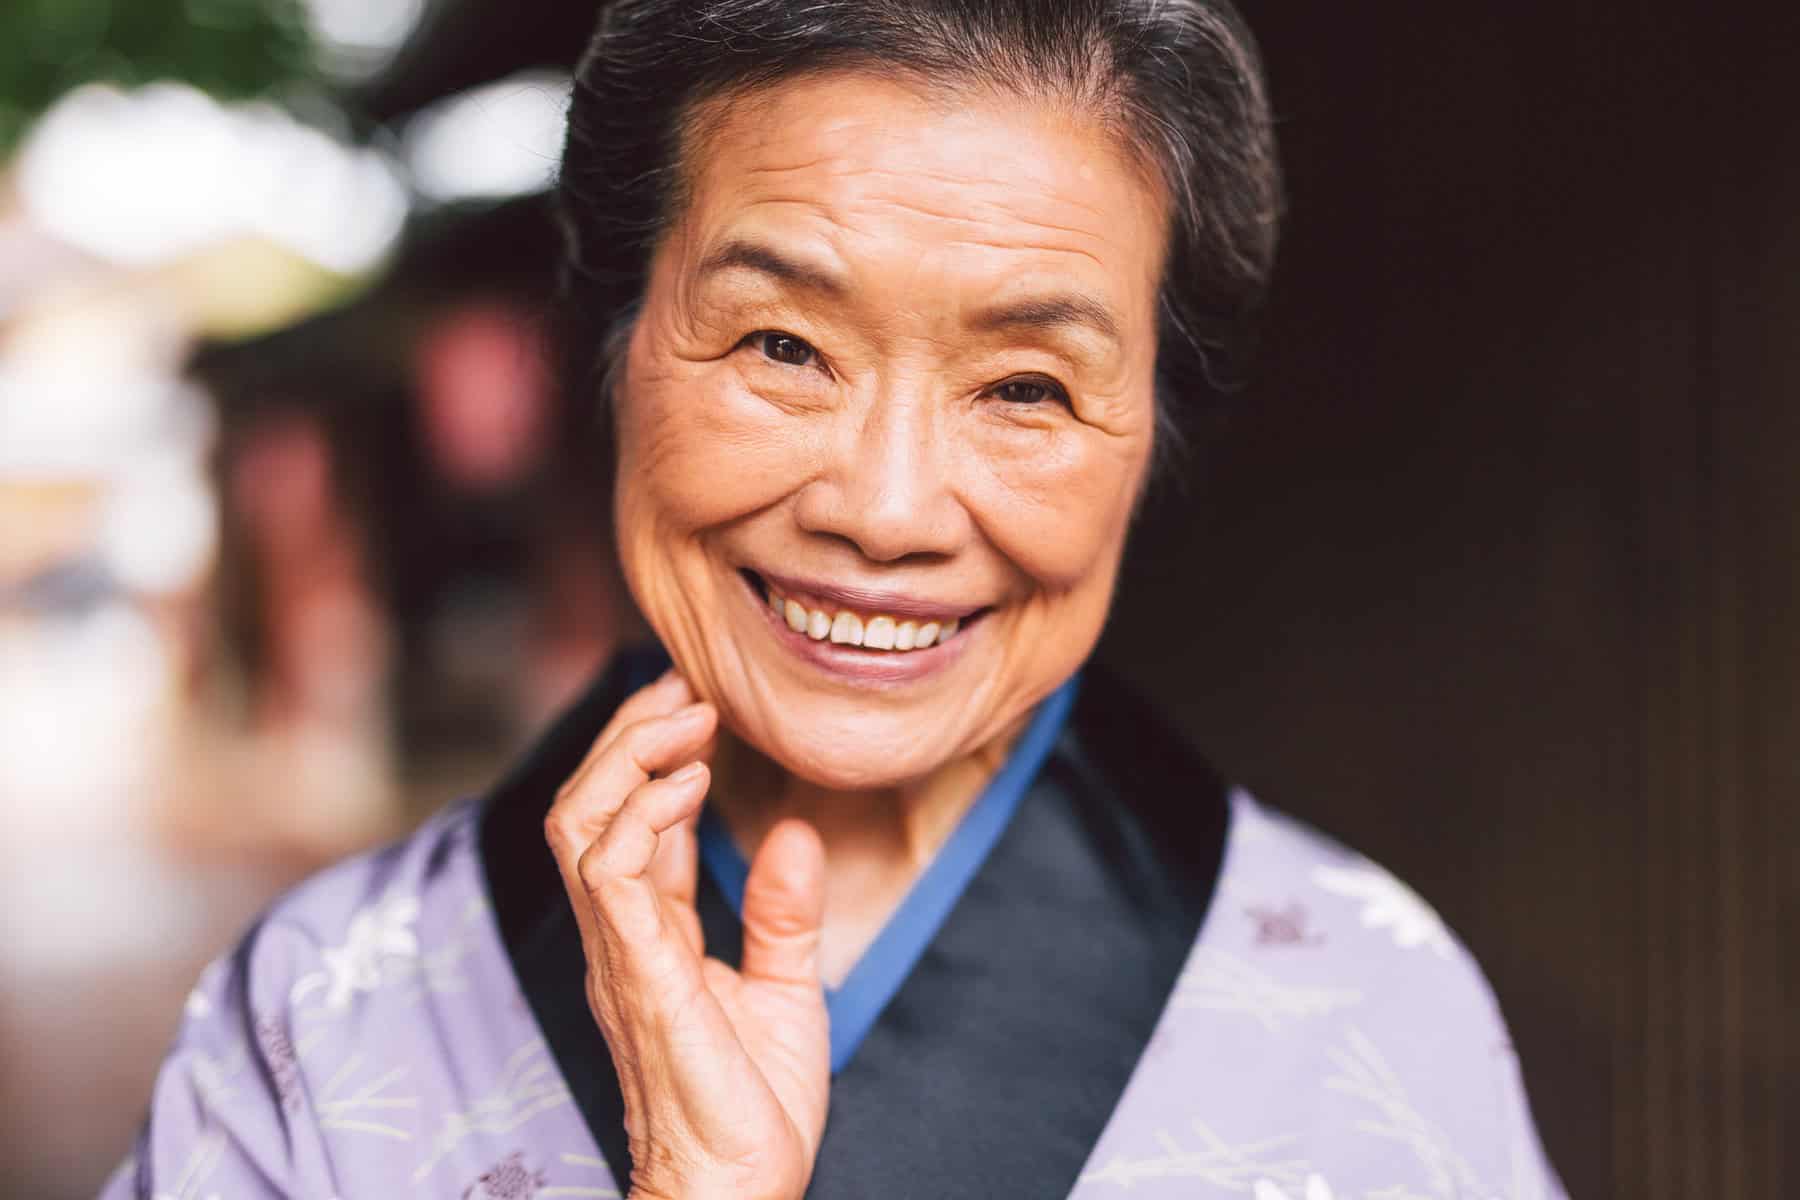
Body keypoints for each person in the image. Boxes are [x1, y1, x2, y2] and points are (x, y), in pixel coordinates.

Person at [107, 1, 1567, 1196]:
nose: (882, 509)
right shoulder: (316, 1018)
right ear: (610, 351)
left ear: (1154, 445)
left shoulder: (1373, 1013)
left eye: (1026, 386)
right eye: (783, 347)